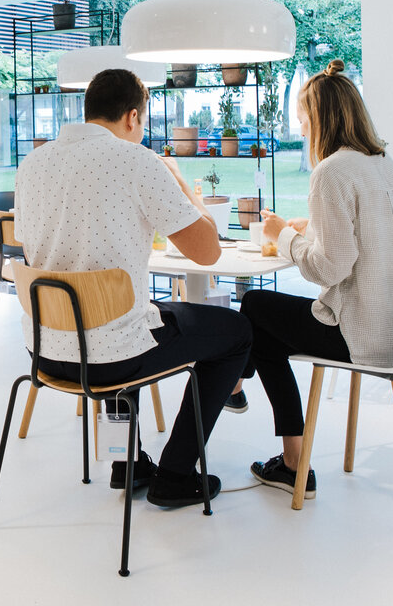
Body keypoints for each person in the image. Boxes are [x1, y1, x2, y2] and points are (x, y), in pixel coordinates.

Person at [13, 68, 252, 507]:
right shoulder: (136, 160)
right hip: (111, 358)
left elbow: (34, 253)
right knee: (235, 334)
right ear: (132, 117)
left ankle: (128, 463)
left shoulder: (32, 165)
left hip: (48, 350)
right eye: (141, 124)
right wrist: (179, 181)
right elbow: (208, 253)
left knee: (127, 318)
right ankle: (178, 473)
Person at [235, 60, 393, 498]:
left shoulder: (331, 172)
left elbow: (329, 269)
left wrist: (284, 238)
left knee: (256, 308)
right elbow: (359, 239)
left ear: (321, 121)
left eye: (303, 121)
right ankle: (278, 443)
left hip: (360, 335)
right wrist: (309, 229)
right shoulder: (381, 163)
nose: (301, 131)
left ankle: (237, 388)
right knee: (265, 333)